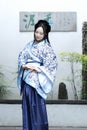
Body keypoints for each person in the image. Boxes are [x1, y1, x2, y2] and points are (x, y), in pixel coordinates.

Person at [17, 20, 57, 130]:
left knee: (37, 108)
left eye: (41, 33)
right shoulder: (28, 45)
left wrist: (38, 68)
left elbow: (51, 65)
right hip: (27, 80)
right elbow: (21, 57)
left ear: (45, 35)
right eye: (36, 32)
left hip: (37, 82)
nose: (38, 35)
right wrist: (25, 66)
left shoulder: (47, 48)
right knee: (27, 108)